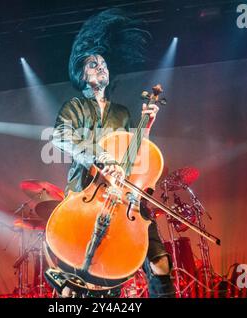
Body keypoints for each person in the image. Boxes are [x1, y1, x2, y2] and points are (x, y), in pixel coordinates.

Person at [51, 9, 174, 298]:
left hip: (125, 200)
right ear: (82, 75)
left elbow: (134, 157)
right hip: (88, 194)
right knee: (83, 286)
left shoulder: (121, 112)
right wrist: (100, 158)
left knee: (160, 263)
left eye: (104, 63)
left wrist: (145, 129)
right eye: (94, 64)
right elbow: (60, 137)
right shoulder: (74, 107)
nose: (101, 67)